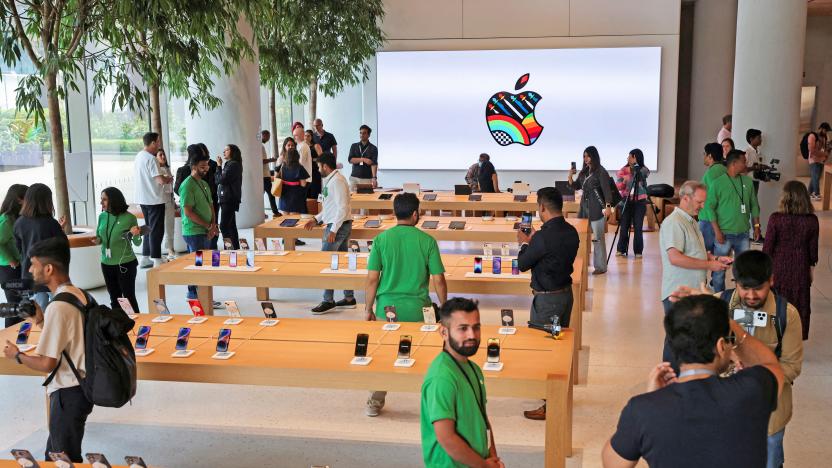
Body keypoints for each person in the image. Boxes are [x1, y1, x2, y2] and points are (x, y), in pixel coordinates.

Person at [601, 295, 784, 468]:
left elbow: (613, 463)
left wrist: (653, 397)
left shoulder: (642, 410)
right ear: (721, 346)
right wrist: (730, 325)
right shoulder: (753, 389)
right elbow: (770, 364)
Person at [2, 237, 94, 463]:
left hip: (67, 392)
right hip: (80, 387)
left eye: (33, 263)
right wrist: (40, 321)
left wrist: (18, 356)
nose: (30, 269)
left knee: (64, 460)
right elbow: (69, 342)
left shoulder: (59, 306)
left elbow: (47, 363)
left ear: (49, 268)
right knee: (53, 455)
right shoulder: (78, 294)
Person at [364, 192, 448, 416]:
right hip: (419, 310)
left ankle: (374, 402)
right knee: (427, 355)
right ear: (415, 214)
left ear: (394, 213)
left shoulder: (381, 240)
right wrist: (446, 307)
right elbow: (438, 279)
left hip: (387, 309)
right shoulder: (427, 241)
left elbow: (372, 278)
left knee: (383, 356)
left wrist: (368, 309)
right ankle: (434, 404)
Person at [718, 251, 803, 468]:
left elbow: (791, 366)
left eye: (759, 288)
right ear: (735, 282)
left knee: (770, 461)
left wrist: (757, 379)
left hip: (770, 415)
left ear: (772, 280)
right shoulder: (720, 307)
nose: (751, 295)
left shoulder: (787, 315)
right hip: (726, 411)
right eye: (745, 287)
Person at [516, 187, 579, 421]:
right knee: (558, 346)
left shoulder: (542, 237)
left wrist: (524, 243)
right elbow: (550, 254)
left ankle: (550, 403)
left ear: (542, 207)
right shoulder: (571, 232)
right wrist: (534, 242)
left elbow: (523, 264)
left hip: (547, 302)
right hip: (565, 296)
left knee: (545, 350)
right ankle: (557, 395)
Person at [420, 298, 504, 468]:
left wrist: (492, 456)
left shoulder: (473, 368)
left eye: (476, 327)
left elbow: (482, 419)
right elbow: (447, 438)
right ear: (444, 332)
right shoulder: (441, 378)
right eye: (463, 328)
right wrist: (485, 466)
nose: (472, 335)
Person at [659, 181, 730, 371]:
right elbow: (675, 257)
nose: (702, 206)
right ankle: (668, 380)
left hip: (692, 292)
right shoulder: (674, 223)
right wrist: (709, 265)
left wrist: (714, 258)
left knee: (688, 339)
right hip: (678, 293)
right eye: (699, 202)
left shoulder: (691, 221)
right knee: (676, 341)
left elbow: (695, 251)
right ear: (685, 198)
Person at [763, 181, 818, 340]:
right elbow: (813, 252)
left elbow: (767, 249)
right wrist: (811, 270)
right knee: (799, 301)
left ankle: (776, 334)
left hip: (778, 267)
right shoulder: (811, 221)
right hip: (801, 266)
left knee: (777, 301)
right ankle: (795, 336)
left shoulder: (775, 219)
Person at [305, 153, 354, 314]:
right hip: (338, 224)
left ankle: (328, 300)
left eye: (319, 166)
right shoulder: (333, 180)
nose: (318, 169)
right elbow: (330, 208)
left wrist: (333, 229)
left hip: (337, 227)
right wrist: (316, 219)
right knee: (341, 262)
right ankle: (349, 297)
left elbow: (342, 208)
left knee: (327, 262)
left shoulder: (337, 181)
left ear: (325, 166)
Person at [707, 149, 760, 292]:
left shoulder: (748, 182)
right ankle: (719, 300)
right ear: (734, 163)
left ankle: (741, 299)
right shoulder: (717, 183)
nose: (746, 164)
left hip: (743, 234)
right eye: (744, 161)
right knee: (719, 272)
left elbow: (754, 205)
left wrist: (756, 226)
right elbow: (709, 208)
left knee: (743, 271)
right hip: (724, 235)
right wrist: (717, 232)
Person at [13, 184, 68, 311]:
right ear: (47, 201)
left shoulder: (19, 223)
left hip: (30, 274)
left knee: (38, 312)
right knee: (60, 309)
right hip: (51, 275)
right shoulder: (50, 223)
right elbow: (62, 245)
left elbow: (19, 248)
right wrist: (60, 229)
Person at [91, 188, 142, 313]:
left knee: (128, 298)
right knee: (115, 298)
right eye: (101, 199)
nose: (101, 203)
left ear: (113, 200)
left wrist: (136, 234)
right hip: (106, 264)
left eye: (104, 199)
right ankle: (119, 327)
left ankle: (137, 326)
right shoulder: (102, 216)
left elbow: (137, 242)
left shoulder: (129, 218)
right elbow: (101, 238)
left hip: (125, 264)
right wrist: (97, 240)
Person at [179, 145, 219, 300]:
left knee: (203, 263)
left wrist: (213, 225)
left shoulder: (204, 184)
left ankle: (202, 294)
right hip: (194, 232)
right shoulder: (187, 185)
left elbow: (211, 206)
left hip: (205, 230)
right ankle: (195, 293)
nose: (206, 169)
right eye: (202, 166)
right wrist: (208, 226)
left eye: (207, 165)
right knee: (198, 263)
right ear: (193, 166)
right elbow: (188, 212)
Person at [568, 146, 613, 275]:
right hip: (584, 208)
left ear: (594, 156)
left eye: (588, 156)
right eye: (584, 156)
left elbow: (606, 190)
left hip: (597, 208)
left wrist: (608, 206)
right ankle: (580, 263)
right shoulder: (584, 172)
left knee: (597, 238)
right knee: (580, 237)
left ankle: (600, 266)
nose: (586, 159)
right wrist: (570, 175)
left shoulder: (601, 171)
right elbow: (575, 186)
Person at [133, 132, 172, 268]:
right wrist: (168, 178)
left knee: (148, 228)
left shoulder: (138, 156)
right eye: (158, 142)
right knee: (156, 229)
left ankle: (145, 257)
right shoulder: (151, 158)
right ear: (153, 143)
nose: (159, 145)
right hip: (154, 198)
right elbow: (160, 180)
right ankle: (156, 258)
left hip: (142, 198)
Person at [0, 184, 28, 327]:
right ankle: (8, 343)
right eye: (27, 198)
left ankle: (21, 342)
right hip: (9, 270)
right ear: (18, 199)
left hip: (17, 267)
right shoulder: (6, 220)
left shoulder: (17, 217)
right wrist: (10, 259)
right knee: (14, 308)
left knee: (21, 307)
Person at [614, 149, 650, 258]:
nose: (627, 159)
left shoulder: (643, 170)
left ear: (635, 157)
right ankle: (621, 249)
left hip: (640, 201)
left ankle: (638, 251)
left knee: (638, 227)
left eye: (630, 156)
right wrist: (624, 181)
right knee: (624, 226)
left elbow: (643, 174)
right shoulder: (622, 170)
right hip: (627, 200)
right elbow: (618, 186)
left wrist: (629, 174)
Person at [698, 142, 726, 254]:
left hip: (708, 220)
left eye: (704, 153)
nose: (703, 156)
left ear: (710, 156)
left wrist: (716, 229)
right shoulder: (725, 170)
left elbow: (710, 202)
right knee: (719, 259)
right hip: (723, 219)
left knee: (703, 255)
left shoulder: (711, 174)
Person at [216, 144, 243, 250]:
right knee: (231, 225)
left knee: (223, 226)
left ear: (233, 152)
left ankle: (229, 249)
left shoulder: (233, 165)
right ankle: (235, 249)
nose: (224, 152)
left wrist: (218, 166)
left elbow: (220, 180)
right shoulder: (230, 164)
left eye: (226, 150)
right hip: (227, 198)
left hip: (229, 198)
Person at [197, 143, 220, 250]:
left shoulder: (214, 164)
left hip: (212, 198)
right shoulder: (194, 168)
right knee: (204, 224)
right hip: (201, 200)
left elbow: (216, 181)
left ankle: (213, 246)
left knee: (214, 222)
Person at [155, 149, 177, 260]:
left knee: (170, 226)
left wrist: (173, 200)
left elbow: (170, 188)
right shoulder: (156, 170)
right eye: (160, 155)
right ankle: (166, 250)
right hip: (161, 201)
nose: (163, 156)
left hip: (169, 201)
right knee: (161, 227)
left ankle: (170, 249)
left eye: (164, 154)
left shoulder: (167, 168)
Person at [276, 148, 310, 215]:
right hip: (296, 195)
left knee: (285, 218)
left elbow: (277, 176)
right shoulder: (300, 168)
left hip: (284, 194)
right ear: (297, 156)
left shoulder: (283, 166)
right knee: (294, 219)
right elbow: (303, 184)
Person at [347, 124, 378, 191]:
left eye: (364, 133)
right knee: (352, 199)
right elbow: (350, 160)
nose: (361, 135)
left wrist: (374, 178)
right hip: (354, 178)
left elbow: (374, 164)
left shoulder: (373, 148)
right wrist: (363, 159)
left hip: (367, 179)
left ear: (369, 135)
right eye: (360, 133)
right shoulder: (354, 146)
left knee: (365, 198)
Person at [807, 122, 829, 199]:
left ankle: (808, 193)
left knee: (815, 177)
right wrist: (824, 154)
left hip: (821, 160)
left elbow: (825, 149)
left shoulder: (824, 137)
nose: (826, 132)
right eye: (825, 130)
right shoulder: (813, 136)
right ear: (821, 129)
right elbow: (812, 150)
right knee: (816, 177)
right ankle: (816, 193)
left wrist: (825, 155)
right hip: (813, 160)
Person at [261, 130, 279, 217]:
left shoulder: (261, 146)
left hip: (265, 174)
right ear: (263, 135)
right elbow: (262, 161)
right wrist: (272, 160)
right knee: (270, 195)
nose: (268, 138)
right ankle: (275, 212)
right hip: (264, 176)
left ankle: (272, 212)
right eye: (267, 136)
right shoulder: (260, 146)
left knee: (267, 195)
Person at [291, 122, 314, 188]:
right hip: (302, 178)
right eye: (294, 135)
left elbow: (300, 164)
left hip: (304, 179)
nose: (294, 137)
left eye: (296, 135)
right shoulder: (299, 145)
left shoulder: (303, 146)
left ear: (302, 135)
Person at [305, 129, 323, 201]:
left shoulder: (316, 146)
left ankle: (318, 209)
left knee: (316, 192)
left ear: (312, 137)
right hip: (306, 172)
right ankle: (308, 210)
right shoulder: (303, 147)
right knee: (306, 193)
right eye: (305, 136)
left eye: (308, 136)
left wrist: (312, 159)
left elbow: (322, 158)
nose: (306, 137)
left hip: (315, 172)